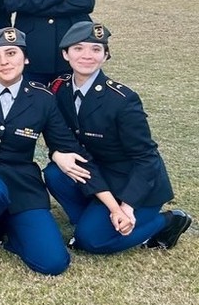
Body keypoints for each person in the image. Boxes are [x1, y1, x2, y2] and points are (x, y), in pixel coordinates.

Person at [0, 28, 89, 275]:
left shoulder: (43, 97)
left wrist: (58, 154)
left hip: (22, 181)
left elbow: (63, 143)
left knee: (53, 263)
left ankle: (5, 225)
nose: (4, 62)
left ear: (26, 58)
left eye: (11, 53)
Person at [44, 22, 192, 252]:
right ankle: (91, 220)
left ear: (105, 56)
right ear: (65, 54)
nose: (87, 56)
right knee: (55, 173)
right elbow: (62, 140)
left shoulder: (122, 99)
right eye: (78, 48)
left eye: (96, 49)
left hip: (132, 181)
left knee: (92, 241)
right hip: (96, 173)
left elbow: (147, 159)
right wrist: (55, 153)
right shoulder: (58, 89)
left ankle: (169, 221)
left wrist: (128, 206)